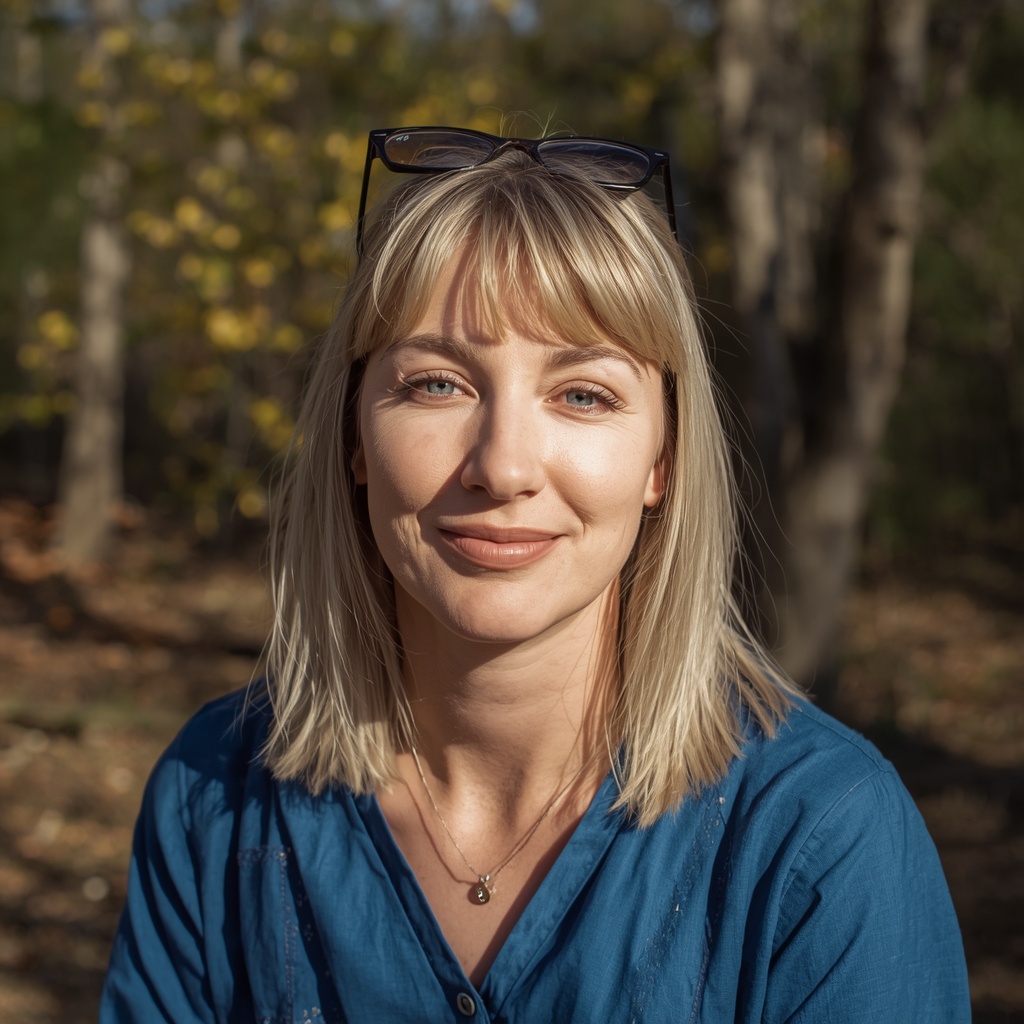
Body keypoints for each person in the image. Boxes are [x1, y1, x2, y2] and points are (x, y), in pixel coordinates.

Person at [100, 126, 971, 1023]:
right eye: (438, 384)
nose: (503, 466)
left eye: (582, 394)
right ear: (354, 435)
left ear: (662, 459)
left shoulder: (821, 837)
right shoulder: (214, 799)